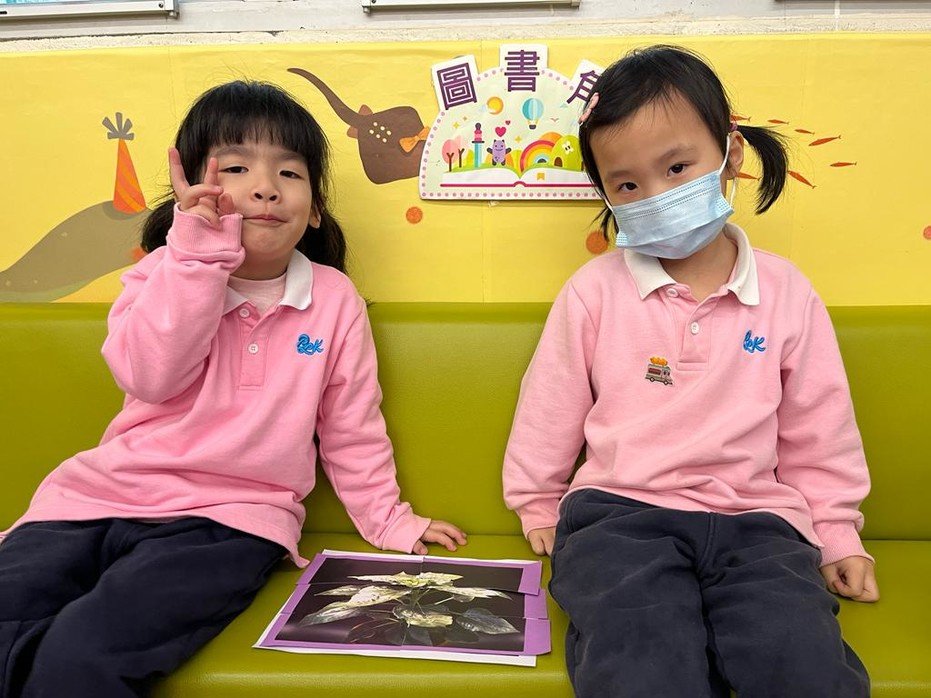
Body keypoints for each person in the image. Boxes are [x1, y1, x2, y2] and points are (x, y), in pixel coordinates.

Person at [0, 80, 465, 698]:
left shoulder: (334, 299)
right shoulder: (159, 274)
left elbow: (352, 427)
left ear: (315, 208)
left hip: (229, 521)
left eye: (289, 173)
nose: (266, 187)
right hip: (90, 501)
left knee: (81, 655)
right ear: (191, 195)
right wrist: (194, 258)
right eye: (237, 168)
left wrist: (387, 520)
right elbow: (149, 376)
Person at [502, 45, 877, 697]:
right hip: (619, 514)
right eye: (627, 185)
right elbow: (550, 405)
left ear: (730, 155)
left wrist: (837, 533)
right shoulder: (594, 291)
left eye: (677, 167)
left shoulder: (787, 292)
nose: (656, 195)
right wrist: (535, 500)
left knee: (803, 664)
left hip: (759, 522)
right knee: (641, 662)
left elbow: (819, 430)